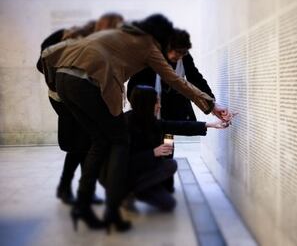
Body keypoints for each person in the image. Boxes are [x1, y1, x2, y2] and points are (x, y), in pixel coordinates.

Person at [41, 13, 231, 233]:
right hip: (94, 87)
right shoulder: (149, 47)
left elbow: (49, 54)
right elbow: (176, 81)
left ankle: (83, 206)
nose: (173, 52)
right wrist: (211, 107)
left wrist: (55, 88)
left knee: (101, 141)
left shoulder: (118, 34)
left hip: (65, 80)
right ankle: (114, 210)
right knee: (119, 141)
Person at [36, 13, 124, 205]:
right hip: (65, 98)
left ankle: (80, 189)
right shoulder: (71, 38)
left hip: (74, 96)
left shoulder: (90, 41)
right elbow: (42, 62)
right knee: (80, 144)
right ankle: (68, 188)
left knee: (86, 142)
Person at [127, 28, 215, 192]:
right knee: (149, 144)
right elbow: (135, 81)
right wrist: (138, 104)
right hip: (148, 107)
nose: (179, 57)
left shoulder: (184, 58)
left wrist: (212, 102)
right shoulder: (152, 55)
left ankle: (165, 183)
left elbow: (195, 78)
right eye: (177, 53)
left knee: (168, 142)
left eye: (183, 54)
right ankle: (144, 182)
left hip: (170, 109)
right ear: (168, 47)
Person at [119, 85, 228, 212]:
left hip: (143, 174)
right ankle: (125, 193)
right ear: (146, 104)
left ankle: (135, 192)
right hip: (125, 175)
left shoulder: (151, 121)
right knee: (167, 168)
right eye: (156, 102)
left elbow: (178, 126)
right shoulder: (125, 124)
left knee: (168, 201)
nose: (159, 106)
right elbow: (123, 161)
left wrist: (211, 125)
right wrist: (153, 153)